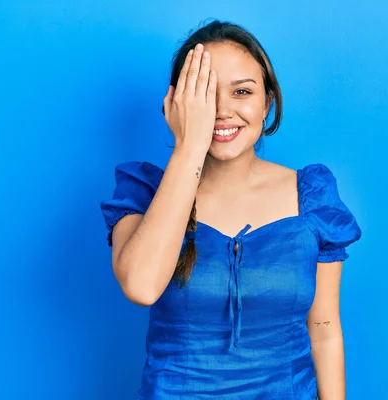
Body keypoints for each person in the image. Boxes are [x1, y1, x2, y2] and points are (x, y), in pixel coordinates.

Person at [100, 20, 361, 400]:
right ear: (176, 104)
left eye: (242, 91)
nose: (222, 111)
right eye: (205, 95)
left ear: (267, 102)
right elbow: (141, 286)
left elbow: (323, 328)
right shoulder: (143, 194)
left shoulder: (313, 199)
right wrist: (189, 144)